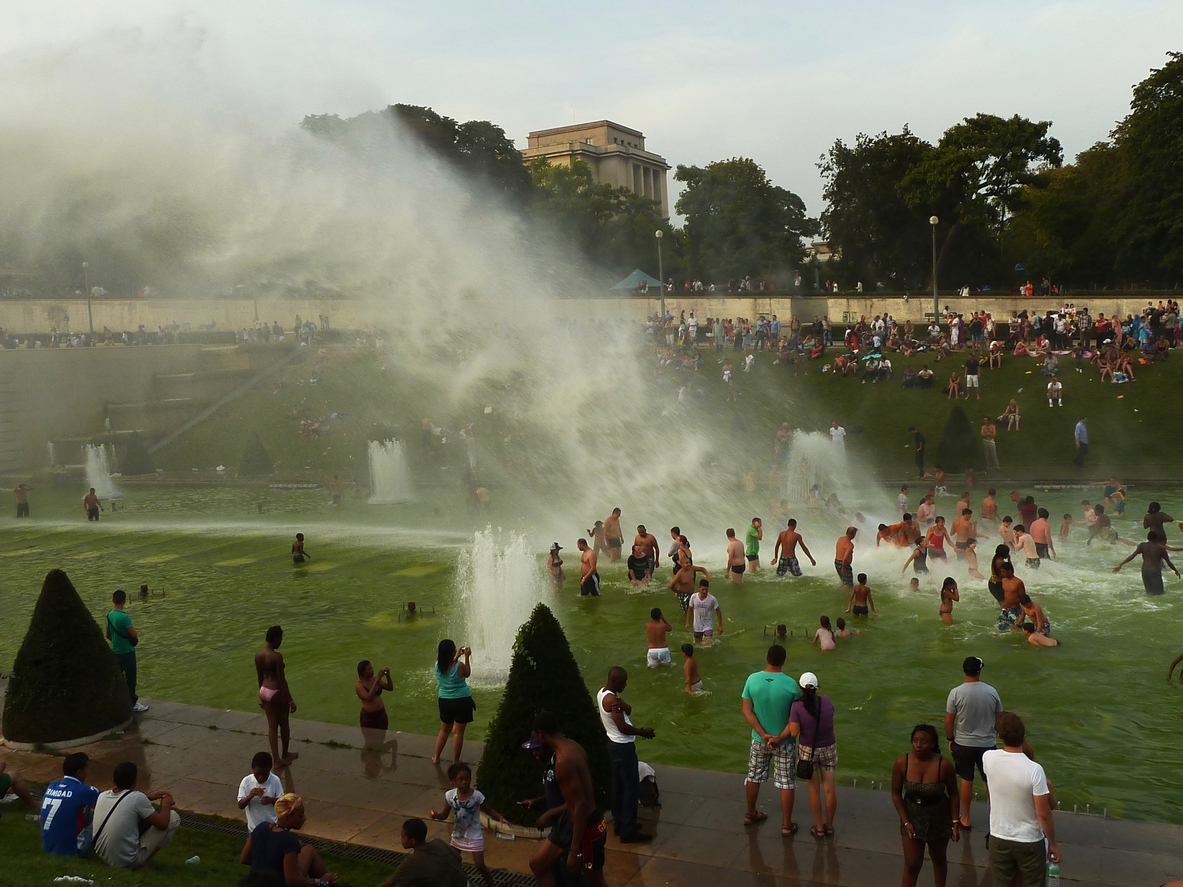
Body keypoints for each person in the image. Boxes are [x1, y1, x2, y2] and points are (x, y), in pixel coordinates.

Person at [527, 712, 609, 887]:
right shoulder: (573, 745)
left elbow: (579, 804)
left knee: (595, 881)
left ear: (541, 733)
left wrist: (574, 850)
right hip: (568, 822)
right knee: (538, 864)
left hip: (585, 824)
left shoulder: (563, 760)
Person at [982, 712, 1061, 886]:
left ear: (1000, 735)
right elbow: (1044, 813)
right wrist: (1053, 844)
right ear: (1023, 735)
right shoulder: (1034, 770)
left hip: (999, 837)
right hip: (1029, 840)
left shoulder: (988, 758)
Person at [741, 644, 802, 836]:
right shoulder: (791, 684)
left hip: (759, 739)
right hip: (783, 743)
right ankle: (786, 824)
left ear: (767, 657)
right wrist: (778, 737)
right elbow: (795, 719)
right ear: (784, 661)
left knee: (754, 775)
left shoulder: (752, 680)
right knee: (786, 782)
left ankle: (750, 813)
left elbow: (747, 711)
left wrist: (763, 734)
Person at [891, 724, 959, 887]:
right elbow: (895, 794)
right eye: (915, 741)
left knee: (939, 859)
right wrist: (906, 821)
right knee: (912, 865)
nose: (918, 745)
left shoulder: (944, 765)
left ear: (934, 744)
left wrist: (955, 823)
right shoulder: (902, 762)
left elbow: (954, 795)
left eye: (924, 742)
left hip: (939, 818)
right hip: (912, 817)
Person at [944, 656, 1002, 830]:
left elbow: (949, 721)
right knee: (989, 781)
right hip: (987, 743)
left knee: (966, 779)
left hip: (963, 743)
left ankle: (966, 817)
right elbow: (999, 718)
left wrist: (950, 739)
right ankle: (996, 819)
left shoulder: (956, 693)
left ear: (963, 670)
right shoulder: (992, 691)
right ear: (980, 671)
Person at [429, 762, 509, 887]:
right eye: (460, 779)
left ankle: (491, 884)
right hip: (458, 834)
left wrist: (499, 817)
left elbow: (488, 809)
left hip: (474, 835)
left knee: (479, 865)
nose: (464, 782)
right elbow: (444, 815)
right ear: (453, 781)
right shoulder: (450, 795)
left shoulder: (477, 796)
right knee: (451, 861)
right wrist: (435, 815)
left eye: (467, 779)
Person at [598, 667, 654, 843]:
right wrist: (643, 732)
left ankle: (621, 824)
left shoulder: (602, 693)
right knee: (630, 789)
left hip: (613, 746)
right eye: (623, 681)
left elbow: (625, 710)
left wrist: (627, 706)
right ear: (615, 681)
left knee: (618, 787)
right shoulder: (612, 700)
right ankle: (628, 831)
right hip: (623, 747)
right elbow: (622, 727)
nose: (626, 684)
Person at [92, 761, 179, 870]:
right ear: (135, 781)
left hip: (103, 856)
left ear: (113, 780)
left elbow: (125, 803)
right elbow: (163, 825)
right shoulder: (138, 798)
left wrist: (148, 797)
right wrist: (166, 804)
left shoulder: (102, 795)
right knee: (173, 817)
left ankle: (134, 858)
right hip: (126, 861)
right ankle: (140, 863)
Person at [241, 792, 337, 886]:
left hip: (257, 881)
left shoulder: (261, 827)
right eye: (300, 815)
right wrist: (320, 881)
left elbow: (244, 858)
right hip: (278, 883)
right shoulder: (289, 840)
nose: (304, 818)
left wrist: (266, 865)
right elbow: (292, 881)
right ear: (287, 816)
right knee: (309, 850)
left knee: (307, 849)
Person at [789, 671, 837, 838]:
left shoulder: (797, 706)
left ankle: (819, 828)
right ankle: (829, 826)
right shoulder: (826, 700)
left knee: (814, 790)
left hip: (808, 750)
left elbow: (794, 733)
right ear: (817, 688)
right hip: (829, 747)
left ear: (800, 688)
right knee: (829, 790)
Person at [376, 817, 466, 887]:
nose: (401, 839)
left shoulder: (413, 861)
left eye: (403, 836)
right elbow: (458, 858)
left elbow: (388, 884)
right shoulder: (438, 842)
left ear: (412, 841)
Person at [41, 753, 101, 856]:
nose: (88, 771)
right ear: (79, 772)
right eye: (87, 768)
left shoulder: (52, 786)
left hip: (48, 846)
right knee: (98, 809)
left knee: (76, 806)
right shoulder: (84, 791)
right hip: (73, 849)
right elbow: (107, 803)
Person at [256, 625, 298, 766]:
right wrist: (290, 700)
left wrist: (262, 696)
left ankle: (276, 760)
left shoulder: (258, 655)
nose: (281, 641)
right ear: (275, 638)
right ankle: (284, 754)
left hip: (264, 690)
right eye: (280, 638)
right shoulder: (277, 657)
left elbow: (259, 677)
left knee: (272, 726)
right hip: (276, 691)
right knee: (284, 723)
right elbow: (281, 680)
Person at [432, 640, 474, 766]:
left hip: (444, 700)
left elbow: (448, 667)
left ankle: (436, 757)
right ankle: (455, 761)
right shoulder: (459, 666)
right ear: (452, 651)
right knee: (458, 733)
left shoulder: (437, 665)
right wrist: (466, 657)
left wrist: (456, 657)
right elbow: (467, 673)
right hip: (461, 700)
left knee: (444, 730)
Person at [105, 589, 148, 713]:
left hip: (115, 651)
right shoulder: (124, 617)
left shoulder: (109, 616)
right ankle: (132, 703)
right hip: (127, 651)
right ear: (124, 601)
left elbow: (107, 635)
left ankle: (118, 702)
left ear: (113, 600)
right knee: (130, 679)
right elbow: (133, 634)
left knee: (118, 678)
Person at [1114, 531, 1180, 595]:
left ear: (1148, 538)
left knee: (1149, 593)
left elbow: (1132, 556)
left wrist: (1121, 564)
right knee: (1159, 593)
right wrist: (1176, 571)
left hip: (1145, 571)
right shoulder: (1161, 549)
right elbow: (1168, 562)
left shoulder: (1142, 546)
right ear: (1156, 539)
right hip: (1155, 572)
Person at [237, 751, 283, 833]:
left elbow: (282, 802)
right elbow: (241, 805)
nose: (260, 777)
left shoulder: (275, 780)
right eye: (257, 774)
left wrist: (271, 800)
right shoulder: (247, 781)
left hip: (272, 827)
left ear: (269, 769)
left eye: (264, 774)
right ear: (252, 769)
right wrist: (250, 796)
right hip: (254, 828)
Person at [356, 659, 393, 731]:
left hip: (381, 714)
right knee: (370, 739)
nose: (372, 670)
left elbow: (390, 688)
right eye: (369, 669)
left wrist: (388, 676)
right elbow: (368, 697)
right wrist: (377, 680)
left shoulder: (374, 679)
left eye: (372, 668)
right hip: (369, 717)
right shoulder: (359, 685)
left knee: (382, 736)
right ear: (362, 672)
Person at [686, 579, 723, 644]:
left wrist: (720, 625)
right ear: (699, 587)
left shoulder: (712, 599)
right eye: (702, 589)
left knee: (707, 645)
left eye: (706, 589)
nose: (704, 591)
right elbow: (690, 609)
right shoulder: (694, 597)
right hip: (697, 625)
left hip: (708, 625)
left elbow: (718, 611)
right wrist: (687, 623)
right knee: (698, 645)